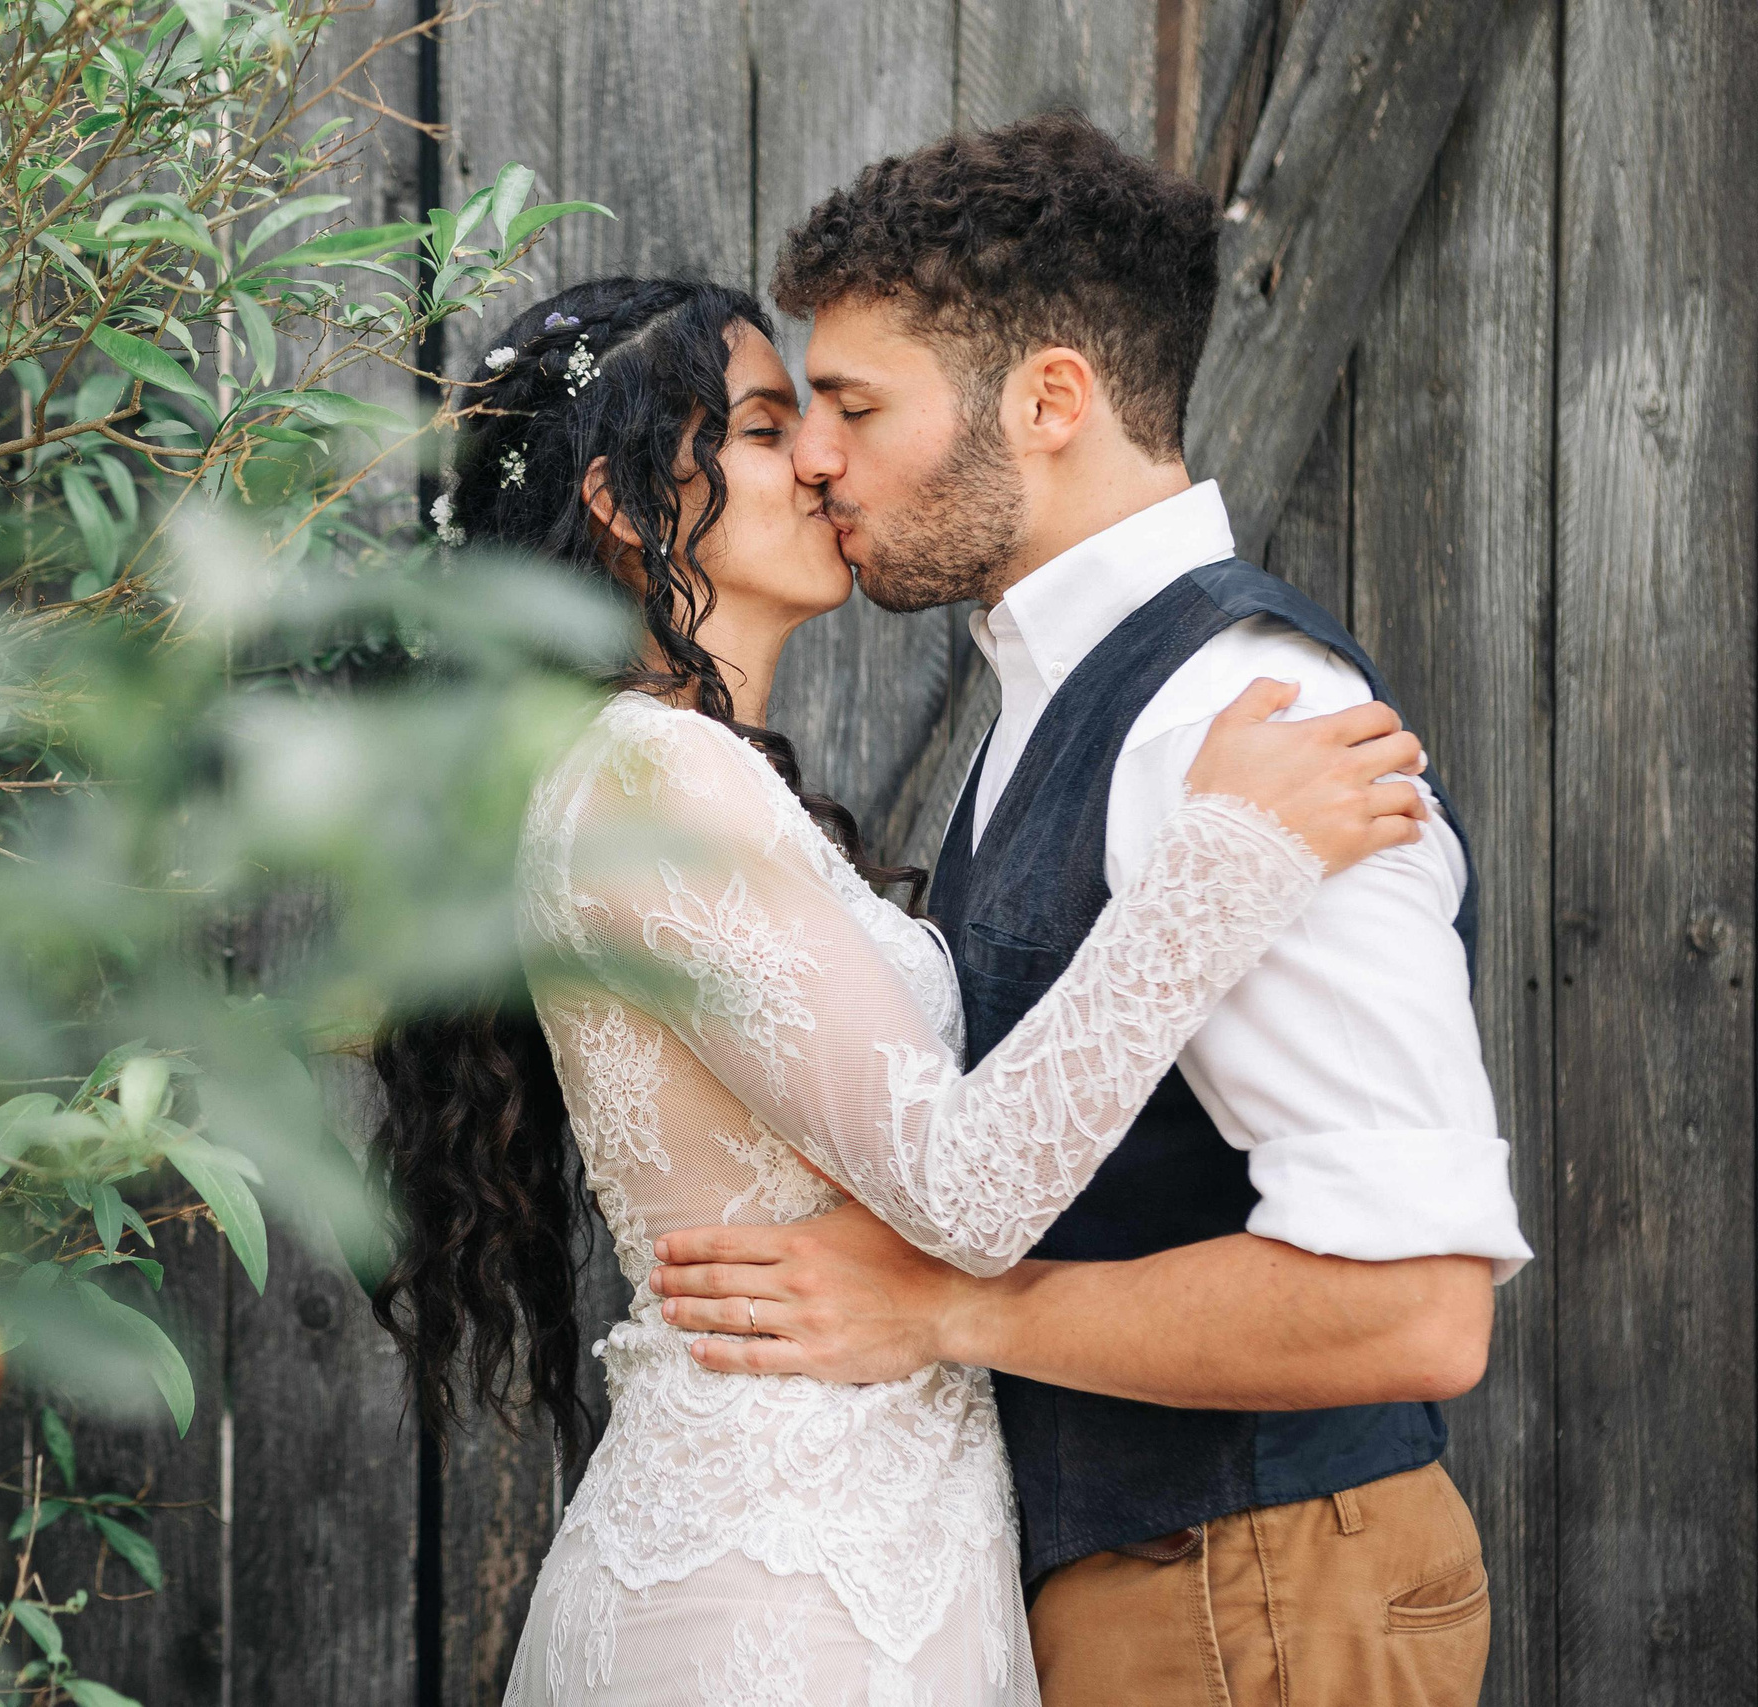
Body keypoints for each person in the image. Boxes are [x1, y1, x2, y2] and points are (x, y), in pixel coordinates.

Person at [368, 273, 1436, 1705]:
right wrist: (1228, 856)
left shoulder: (690, 778)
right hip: (785, 1587)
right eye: (764, 427)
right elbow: (968, 1192)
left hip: (862, 1548)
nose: (820, 459)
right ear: (621, 504)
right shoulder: (649, 774)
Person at [647, 115, 1533, 1707]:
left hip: (1259, 1588)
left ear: (1050, 401)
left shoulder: (1236, 718)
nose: (817, 456)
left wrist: (949, 1312)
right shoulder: (1064, 699)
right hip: (1170, 1587)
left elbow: (1411, 1308)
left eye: (857, 404)